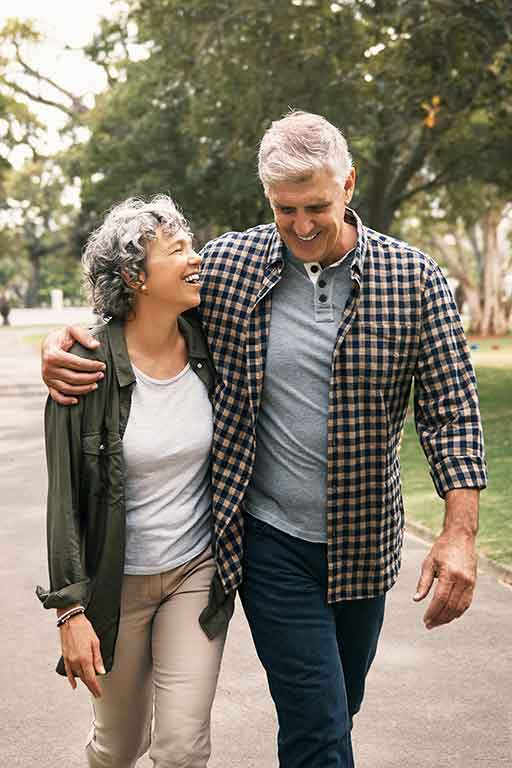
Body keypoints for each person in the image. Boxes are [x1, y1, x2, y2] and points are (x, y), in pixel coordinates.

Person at [41, 111, 487, 768]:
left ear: (349, 184)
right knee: (316, 721)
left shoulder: (414, 280)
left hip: (365, 543)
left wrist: (459, 532)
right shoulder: (230, 266)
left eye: (316, 207)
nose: (302, 225)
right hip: (269, 542)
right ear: (266, 199)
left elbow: (452, 412)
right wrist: (62, 344)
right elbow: (138, 302)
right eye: (285, 209)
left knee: (339, 707)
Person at [37, 195, 234, 768]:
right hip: (113, 584)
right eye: (178, 251)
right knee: (119, 747)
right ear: (134, 277)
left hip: (195, 574)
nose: (196, 259)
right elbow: (63, 500)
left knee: (180, 749)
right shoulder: (83, 365)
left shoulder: (212, 344)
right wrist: (70, 613)